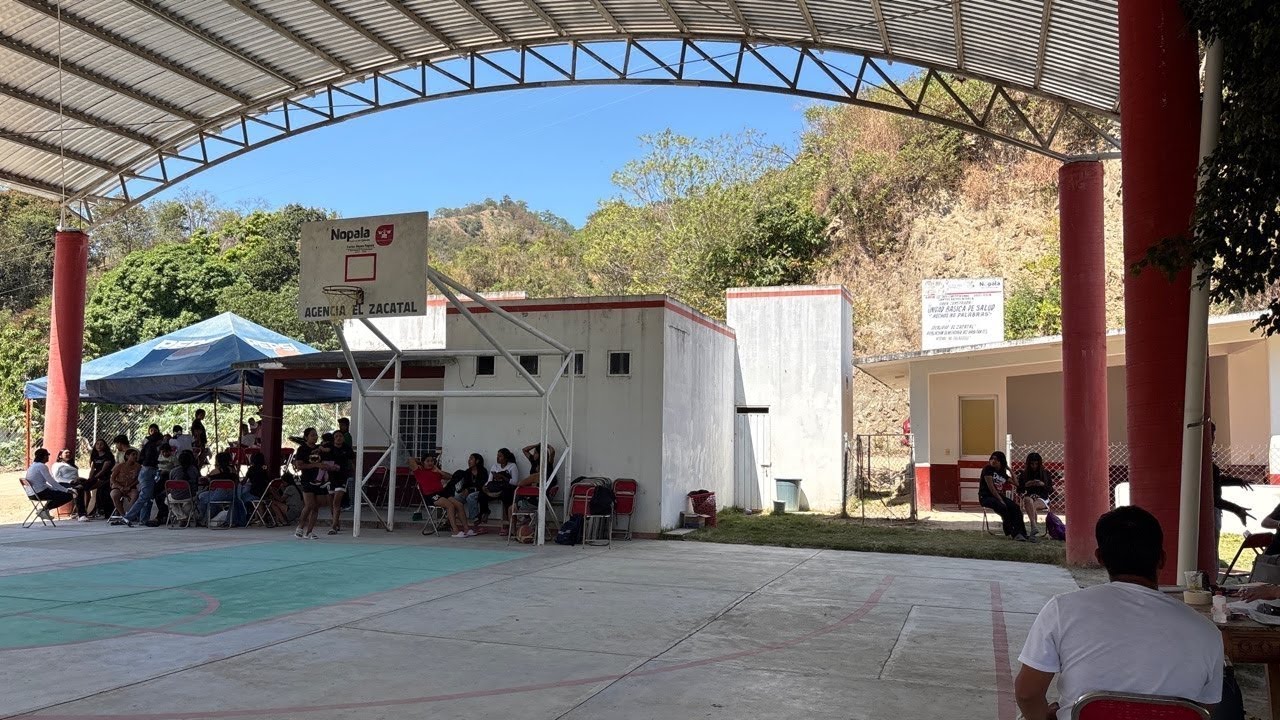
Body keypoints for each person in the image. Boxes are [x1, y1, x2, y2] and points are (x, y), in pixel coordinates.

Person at [1014, 506, 1223, 720]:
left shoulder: (1062, 610)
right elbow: (1206, 711)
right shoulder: (1207, 632)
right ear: (1161, 559)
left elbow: (1027, 694)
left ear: (1100, 557)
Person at [411, 455, 472, 537]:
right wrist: (419, 463)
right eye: (428, 461)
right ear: (423, 462)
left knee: (459, 505)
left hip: (442, 493)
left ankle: (466, 529)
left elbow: (451, 477)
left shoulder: (435, 471)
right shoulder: (419, 471)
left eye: (432, 461)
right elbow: (410, 460)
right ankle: (455, 531)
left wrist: (439, 471)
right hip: (431, 495)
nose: (430, 463)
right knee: (450, 506)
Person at [980, 451, 1032, 542]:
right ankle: (1012, 533)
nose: (992, 461)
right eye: (991, 458)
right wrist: (1001, 500)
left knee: (1015, 508)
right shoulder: (987, 469)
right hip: (986, 496)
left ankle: (1022, 533)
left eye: (996, 459)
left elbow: (1016, 483)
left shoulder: (1002, 473)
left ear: (1001, 461)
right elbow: (991, 488)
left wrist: (1010, 470)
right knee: (1003, 507)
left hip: (998, 496)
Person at [125, 424, 165, 526]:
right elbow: (149, 461)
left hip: (148, 471)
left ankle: (144, 519)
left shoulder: (148, 446)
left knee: (149, 498)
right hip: (148, 472)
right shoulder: (152, 448)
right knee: (144, 497)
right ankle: (128, 517)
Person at [293, 428, 326, 540]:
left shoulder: (319, 449)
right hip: (307, 479)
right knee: (309, 504)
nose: (315, 437)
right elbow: (299, 465)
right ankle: (300, 527)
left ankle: (310, 531)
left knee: (316, 507)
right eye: (312, 435)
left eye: (316, 435)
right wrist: (315, 466)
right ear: (306, 437)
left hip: (319, 480)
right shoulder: (302, 449)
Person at [25, 448, 73, 520]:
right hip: (40, 493)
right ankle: (45, 510)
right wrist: (66, 490)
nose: (48, 458)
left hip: (31, 494)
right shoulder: (42, 466)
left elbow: (43, 483)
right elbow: (52, 482)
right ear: (44, 457)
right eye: (47, 456)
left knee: (58, 491)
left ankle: (44, 510)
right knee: (68, 496)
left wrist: (55, 489)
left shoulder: (33, 465)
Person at [198, 452, 242, 526]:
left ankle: (204, 519)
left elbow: (209, 483)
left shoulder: (215, 472)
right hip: (232, 495)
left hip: (218, 494)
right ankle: (207, 519)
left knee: (201, 497)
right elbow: (237, 483)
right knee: (209, 500)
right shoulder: (233, 470)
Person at [324, 430, 355, 535]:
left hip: (342, 477)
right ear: (333, 438)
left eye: (340, 436)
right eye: (336, 436)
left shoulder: (346, 448)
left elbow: (352, 459)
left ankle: (333, 527)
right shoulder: (329, 448)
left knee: (336, 502)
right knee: (331, 503)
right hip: (330, 477)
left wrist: (353, 471)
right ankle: (336, 522)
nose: (338, 438)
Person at [1017, 452, 1054, 537]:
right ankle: (1034, 527)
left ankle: (1033, 529)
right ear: (1028, 464)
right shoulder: (1023, 474)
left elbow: (1051, 490)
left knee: (1032, 505)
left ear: (1039, 464)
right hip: (1029, 496)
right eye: (1032, 464)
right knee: (1027, 500)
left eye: (1036, 464)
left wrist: (1042, 484)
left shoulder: (1046, 473)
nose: (1034, 466)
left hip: (1042, 498)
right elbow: (1019, 490)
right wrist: (1026, 485)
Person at [245, 451, 287, 525]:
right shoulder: (264, 469)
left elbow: (245, 480)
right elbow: (267, 480)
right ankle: (260, 518)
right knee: (261, 500)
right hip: (265, 491)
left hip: (255, 491)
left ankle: (260, 519)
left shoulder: (251, 469)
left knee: (254, 500)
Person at [51, 449, 89, 521]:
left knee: (89, 484)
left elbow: (75, 476)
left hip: (75, 482)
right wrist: (70, 481)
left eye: (70, 453)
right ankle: (81, 514)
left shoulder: (72, 466)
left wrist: (78, 479)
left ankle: (80, 511)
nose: (68, 454)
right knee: (78, 489)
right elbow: (57, 478)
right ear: (60, 455)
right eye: (66, 453)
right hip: (62, 483)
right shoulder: (57, 465)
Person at [489, 448, 521, 536]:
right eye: (497, 456)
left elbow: (514, 482)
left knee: (506, 496)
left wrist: (503, 477)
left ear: (506, 458)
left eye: (500, 456)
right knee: (481, 495)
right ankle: (481, 516)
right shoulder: (494, 466)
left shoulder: (512, 466)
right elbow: (489, 481)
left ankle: (506, 525)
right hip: (496, 488)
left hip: (507, 489)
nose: (497, 458)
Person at [165, 449, 201, 525]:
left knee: (167, 500)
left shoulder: (173, 471)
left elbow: (170, 484)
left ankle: (182, 517)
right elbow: (197, 483)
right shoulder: (194, 470)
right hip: (190, 495)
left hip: (176, 495)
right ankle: (185, 517)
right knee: (191, 502)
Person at [454, 453, 490, 526]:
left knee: (471, 497)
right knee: (456, 498)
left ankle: (475, 518)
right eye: (469, 459)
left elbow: (482, 485)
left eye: (471, 459)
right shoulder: (467, 471)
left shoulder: (483, 471)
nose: (469, 461)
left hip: (480, 492)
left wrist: (469, 490)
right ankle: (451, 518)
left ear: (477, 461)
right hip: (468, 492)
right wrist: (464, 489)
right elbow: (465, 484)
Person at [109, 449, 141, 521]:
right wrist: (120, 487)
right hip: (118, 487)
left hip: (131, 488)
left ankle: (130, 514)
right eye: (133, 454)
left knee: (135, 494)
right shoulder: (120, 466)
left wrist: (130, 486)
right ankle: (123, 515)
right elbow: (112, 478)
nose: (135, 456)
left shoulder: (139, 467)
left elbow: (138, 479)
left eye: (136, 455)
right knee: (114, 494)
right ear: (127, 456)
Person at [87, 439, 116, 519]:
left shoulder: (108, 455)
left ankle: (102, 510)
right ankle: (86, 510)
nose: (99, 446)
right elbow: (92, 469)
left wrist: (95, 478)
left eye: (101, 444)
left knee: (101, 490)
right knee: (84, 487)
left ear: (105, 445)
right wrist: (89, 479)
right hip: (96, 477)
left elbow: (104, 470)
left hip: (105, 477)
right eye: (97, 444)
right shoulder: (94, 456)